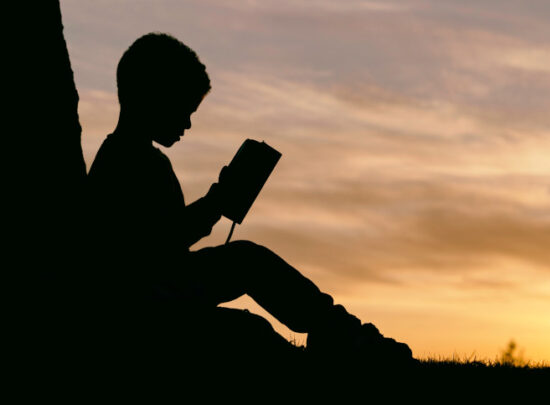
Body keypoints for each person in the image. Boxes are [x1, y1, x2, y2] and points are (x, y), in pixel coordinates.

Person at [87, 32, 413, 364]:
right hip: (144, 307)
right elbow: (153, 248)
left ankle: (342, 334)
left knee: (247, 260)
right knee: (250, 328)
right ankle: (345, 345)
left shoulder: (141, 158)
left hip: (163, 289)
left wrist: (216, 201)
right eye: (183, 109)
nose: (186, 124)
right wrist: (216, 202)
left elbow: (166, 239)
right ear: (153, 96)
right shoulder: (123, 162)